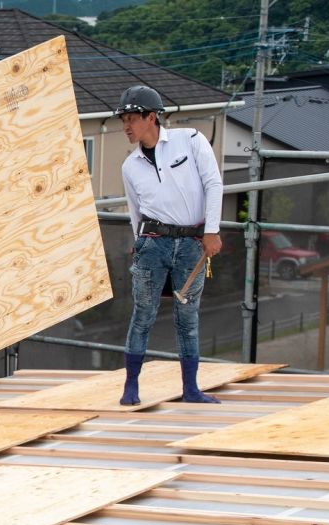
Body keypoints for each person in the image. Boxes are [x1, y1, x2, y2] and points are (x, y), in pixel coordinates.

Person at [116, 85, 223, 405]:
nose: (126, 125)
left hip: (192, 241)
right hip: (153, 243)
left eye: (132, 118)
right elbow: (134, 210)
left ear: (151, 117)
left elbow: (213, 183)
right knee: (143, 314)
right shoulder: (129, 165)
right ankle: (130, 387)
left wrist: (212, 231)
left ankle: (191, 389)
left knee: (187, 318)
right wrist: (138, 244)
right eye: (123, 119)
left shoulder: (190, 140)